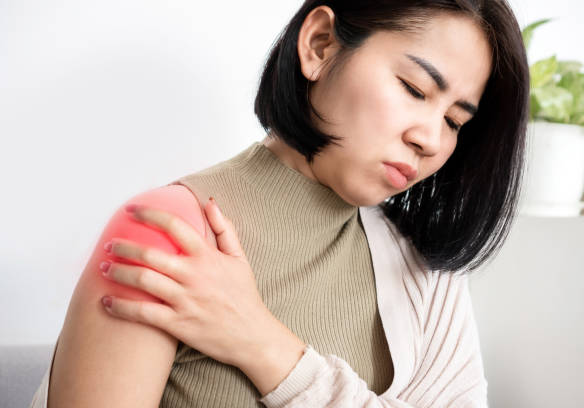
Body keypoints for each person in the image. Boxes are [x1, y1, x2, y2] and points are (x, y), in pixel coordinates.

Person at [30, 0, 529, 407]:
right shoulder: (172, 234)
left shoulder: (424, 272)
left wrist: (262, 345)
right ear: (320, 46)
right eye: (414, 88)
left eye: (455, 122)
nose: (430, 139)